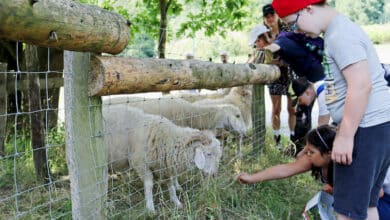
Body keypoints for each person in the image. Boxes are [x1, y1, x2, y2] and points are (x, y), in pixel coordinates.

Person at [271, 1, 390, 219]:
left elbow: (361, 84)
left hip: (364, 128)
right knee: (367, 207)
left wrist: (344, 136)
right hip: (376, 127)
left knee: (345, 212)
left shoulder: (340, 36)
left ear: (307, 9)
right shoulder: (339, 31)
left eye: (293, 24)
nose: (296, 31)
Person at [236, 124, 336, 195]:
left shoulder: (344, 169)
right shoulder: (315, 158)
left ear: (329, 153)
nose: (302, 154)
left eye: (311, 151)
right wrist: (251, 178)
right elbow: (285, 169)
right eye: (306, 149)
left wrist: (337, 192)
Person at [261, 4, 296, 147]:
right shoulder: (263, 35)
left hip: (290, 74)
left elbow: (295, 51)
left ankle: (293, 140)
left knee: (292, 109)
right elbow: (259, 54)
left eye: (272, 15)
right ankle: (277, 140)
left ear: (277, 16)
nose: (270, 19)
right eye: (267, 16)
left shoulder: (288, 30)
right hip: (274, 76)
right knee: (276, 109)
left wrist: (283, 61)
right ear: (264, 19)